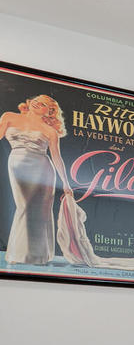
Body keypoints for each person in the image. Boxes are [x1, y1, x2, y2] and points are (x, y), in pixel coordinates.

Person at [1, 93, 99, 267]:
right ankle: (21, 253)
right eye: (37, 101)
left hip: (42, 170)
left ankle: (35, 256)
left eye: (43, 104)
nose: (38, 104)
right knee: (24, 206)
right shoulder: (9, 116)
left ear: (50, 112)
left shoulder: (50, 131)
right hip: (17, 165)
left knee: (39, 211)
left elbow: (57, 158)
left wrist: (66, 184)